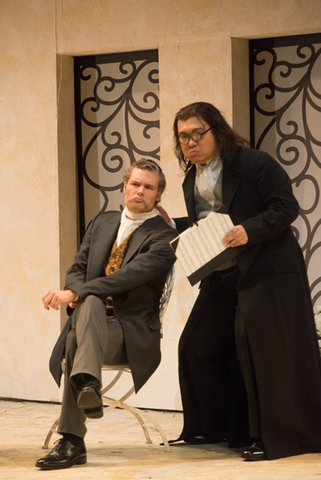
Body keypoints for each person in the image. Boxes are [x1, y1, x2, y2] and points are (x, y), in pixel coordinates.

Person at [158, 102, 321, 461]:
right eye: (183, 136)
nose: (190, 142)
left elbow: (285, 208)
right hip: (222, 273)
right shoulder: (192, 177)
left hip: (267, 269)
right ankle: (212, 428)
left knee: (258, 348)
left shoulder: (253, 163)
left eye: (197, 133)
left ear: (217, 130)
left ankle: (274, 437)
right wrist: (175, 226)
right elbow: (210, 225)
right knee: (196, 344)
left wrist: (249, 230)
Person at [36, 159, 177, 470]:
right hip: (91, 327)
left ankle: (73, 440)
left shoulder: (164, 238)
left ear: (158, 197)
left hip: (127, 335)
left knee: (86, 310)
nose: (141, 191)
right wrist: (78, 289)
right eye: (136, 184)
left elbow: (125, 278)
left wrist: (75, 294)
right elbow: (77, 268)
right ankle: (88, 386)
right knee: (90, 308)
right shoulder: (102, 222)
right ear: (124, 186)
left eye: (149, 187)